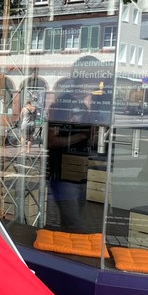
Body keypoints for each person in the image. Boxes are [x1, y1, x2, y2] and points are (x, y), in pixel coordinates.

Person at [46, 92, 94, 230]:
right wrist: (80, 136)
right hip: (63, 174)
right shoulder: (59, 110)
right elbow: (51, 141)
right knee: (73, 222)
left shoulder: (82, 109)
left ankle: (65, 244)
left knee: (72, 220)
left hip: (80, 173)